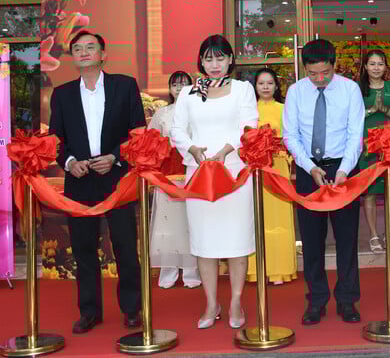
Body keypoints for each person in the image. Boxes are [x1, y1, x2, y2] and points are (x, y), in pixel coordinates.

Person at [49, 30, 145, 333]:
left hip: (116, 177)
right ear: (73, 57)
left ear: (103, 54)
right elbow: (55, 139)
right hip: (79, 179)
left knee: (125, 245)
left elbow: (138, 131)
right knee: (83, 248)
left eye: (90, 47)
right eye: (78, 48)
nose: (84, 52)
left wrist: (115, 157)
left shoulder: (124, 86)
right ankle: (90, 311)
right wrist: (69, 163)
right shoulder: (62, 94)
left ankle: (132, 309)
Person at [170, 34, 259, 329]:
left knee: (237, 239)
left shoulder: (243, 89)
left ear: (230, 59)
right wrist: (192, 149)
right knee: (204, 241)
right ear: (201, 61)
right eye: (209, 59)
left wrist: (226, 150)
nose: (215, 64)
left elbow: (249, 125)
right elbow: (177, 129)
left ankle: (235, 301)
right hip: (199, 174)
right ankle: (211, 303)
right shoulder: (189, 93)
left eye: (220, 58)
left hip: (234, 173)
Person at [283, 39, 365, 325]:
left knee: (347, 238)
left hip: (344, 168)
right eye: (313, 74)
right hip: (309, 171)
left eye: (325, 73)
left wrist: (344, 170)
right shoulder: (296, 92)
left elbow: (355, 135)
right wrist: (309, 167)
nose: (319, 79)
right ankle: (316, 301)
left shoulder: (350, 89)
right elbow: (290, 135)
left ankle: (347, 300)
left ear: (334, 64)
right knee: (312, 240)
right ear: (305, 68)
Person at [148, 71, 200, 289]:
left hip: (192, 169)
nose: (179, 88)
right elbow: (151, 140)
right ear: (169, 89)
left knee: (190, 221)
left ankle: (191, 273)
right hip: (168, 172)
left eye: (184, 84)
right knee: (167, 220)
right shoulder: (162, 113)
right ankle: (168, 272)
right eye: (175, 85)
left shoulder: (198, 110)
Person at [246, 67, 298, 284]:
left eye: (269, 83)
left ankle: (280, 270)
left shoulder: (284, 109)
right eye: (261, 83)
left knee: (280, 216)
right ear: (255, 87)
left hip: (278, 165)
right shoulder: (249, 111)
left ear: (276, 86)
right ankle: (257, 269)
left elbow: (291, 138)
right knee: (257, 216)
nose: (265, 87)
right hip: (255, 169)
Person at [357, 49, 390, 253]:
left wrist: (384, 109)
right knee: (370, 193)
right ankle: (374, 235)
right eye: (372, 64)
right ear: (366, 67)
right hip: (367, 147)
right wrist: (371, 111)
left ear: (385, 66)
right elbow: (352, 116)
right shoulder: (358, 89)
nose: (376, 68)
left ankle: (388, 232)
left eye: (380, 64)